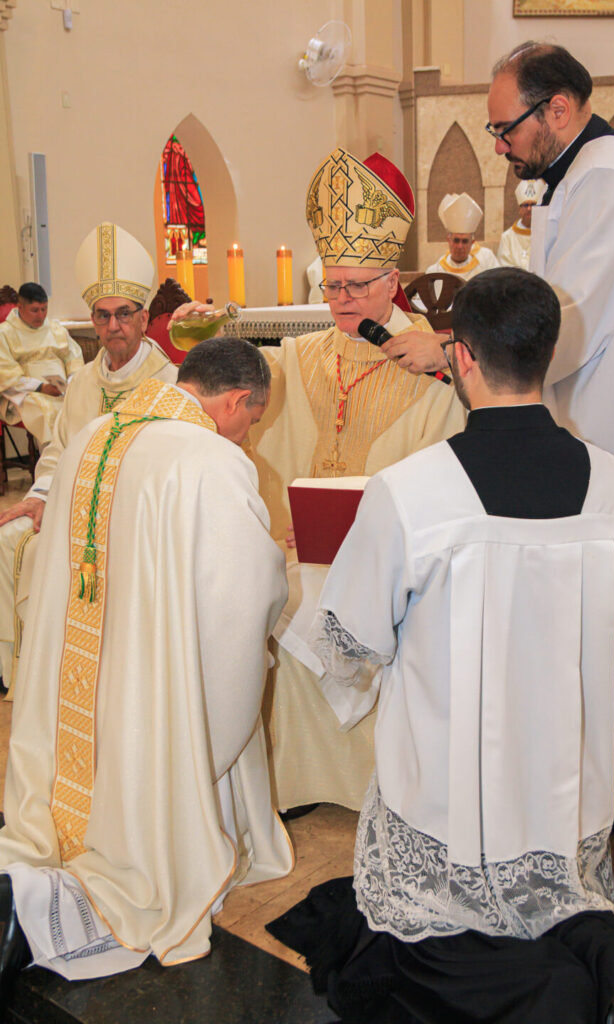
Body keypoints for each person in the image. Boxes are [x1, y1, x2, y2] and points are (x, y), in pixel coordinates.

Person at [269, 268, 614, 1024]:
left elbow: (349, 638)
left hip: (450, 779)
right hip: (559, 770)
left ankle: (529, 978)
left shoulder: (411, 488)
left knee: (432, 930)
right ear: (544, 354)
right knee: (547, 886)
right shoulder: (610, 480)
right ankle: (589, 942)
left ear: (462, 357)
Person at [378, 42, 614, 831]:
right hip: (603, 428)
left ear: (556, 109)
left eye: (503, 127)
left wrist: (452, 353)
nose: (498, 145)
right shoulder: (579, 180)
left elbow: (562, 321)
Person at [0, 337, 292, 1009]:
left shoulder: (94, 433)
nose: (248, 432)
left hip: (84, 658)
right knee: (166, 732)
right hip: (152, 674)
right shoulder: (208, 457)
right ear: (237, 400)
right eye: (253, 418)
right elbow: (242, 595)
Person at [173, 147, 465, 814]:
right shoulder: (297, 356)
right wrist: (197, 341)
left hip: (394, 564)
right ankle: (291, 779)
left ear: (392, 282)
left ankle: (378, 785)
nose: (339, 300)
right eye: (330, 286)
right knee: (258, 589)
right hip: (303, 552)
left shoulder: (430, 363)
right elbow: (221, 403)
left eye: (355, 287)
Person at [0, 223, 177, 691]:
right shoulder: (82, 382)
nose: (112, 326)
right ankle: (22, 672)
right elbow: (58, 448)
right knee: (9, 536)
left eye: (123, 314)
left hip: (135, 520)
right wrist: (39, 495)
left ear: (143, 318)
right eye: (102, 315)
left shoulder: (169, 383)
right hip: (72, 508)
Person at [0, 282, 84, 448]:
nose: (40, 315)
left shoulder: (55, 329)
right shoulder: (4, 333)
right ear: (20, 307)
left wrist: (72, 382)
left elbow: (74, 359)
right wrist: (41, 387)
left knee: (82, 406)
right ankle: (51, 465)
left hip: (61, 389)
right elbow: (6, 373)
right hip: (24, 393)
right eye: (35, 310)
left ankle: (79, 460)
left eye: (44, 309)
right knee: (44, 410)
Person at [424, 191, 498, 280]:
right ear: (448, 240)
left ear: (472, 243)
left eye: (465, 241)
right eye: (456, 240)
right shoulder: (435, 271)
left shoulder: (484, 267)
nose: (460, 246)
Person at [496, 179, 545, 269]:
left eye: (533, 205)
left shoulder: (545, 234)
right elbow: (503, 268)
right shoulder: (507, 237)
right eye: (526, 205)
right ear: (519, 209)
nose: (529, 209)